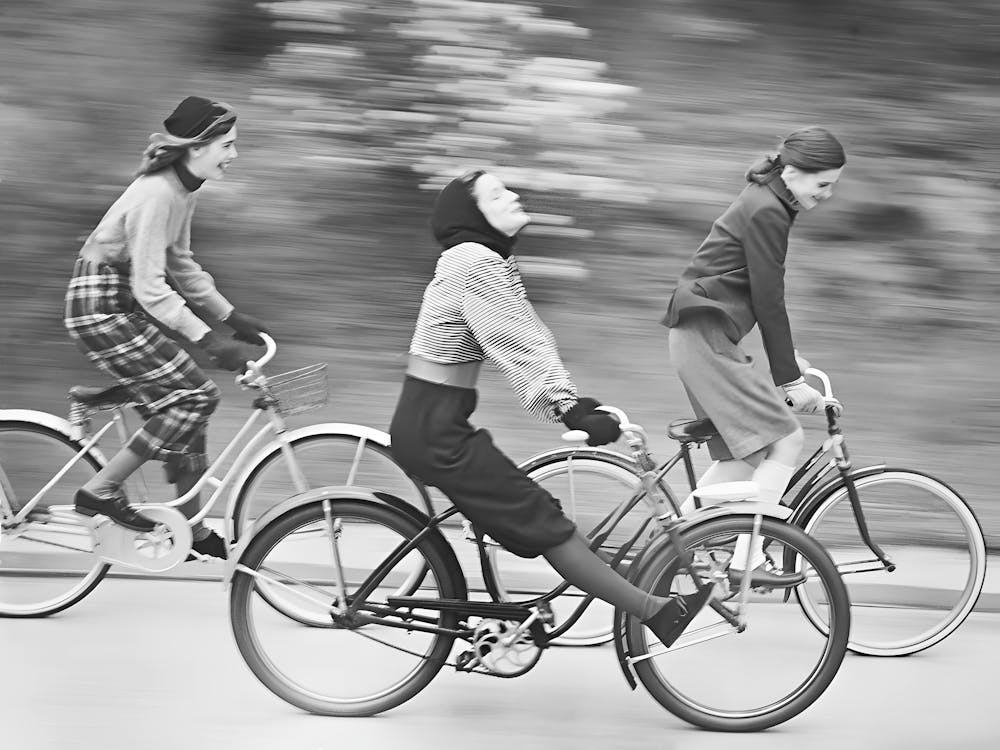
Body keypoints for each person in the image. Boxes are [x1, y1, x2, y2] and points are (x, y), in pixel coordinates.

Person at [390, 169, 713, 647]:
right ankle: (656, 613)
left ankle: (646, 588)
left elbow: (525, 335)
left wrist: (575, 402)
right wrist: (569, 409)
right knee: (547, 527)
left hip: (437, 425)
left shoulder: (482, 259)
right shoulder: (473, 261)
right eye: (496, 194)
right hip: (436, 434)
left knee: (546, 519)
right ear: (470, 214)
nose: (513, 196)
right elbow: (516, 342)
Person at [64, 96, 269, 560]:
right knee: (196, 396)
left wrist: (229, 316)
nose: (234, 154)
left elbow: (181, 264)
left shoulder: (182, 189)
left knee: (190, 409)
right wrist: (210, 341)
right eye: (227, 145)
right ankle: (100, 490)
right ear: (197, 146)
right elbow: (151, 287)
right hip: (99, 308)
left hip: (119, 306)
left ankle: (191, 530)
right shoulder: (157, 193)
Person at [663, 126, 846, 587]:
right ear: (793, 172)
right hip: (704, 339)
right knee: (787, 439)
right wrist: (789, 379)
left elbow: (756, 293)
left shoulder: (768, 201)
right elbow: (769, 298)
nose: (827, 194)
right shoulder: (768, 209)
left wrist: (788, 358)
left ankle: (666, 550)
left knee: (746, 454)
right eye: (823, 184)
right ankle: (747, 560)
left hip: (703, 337)